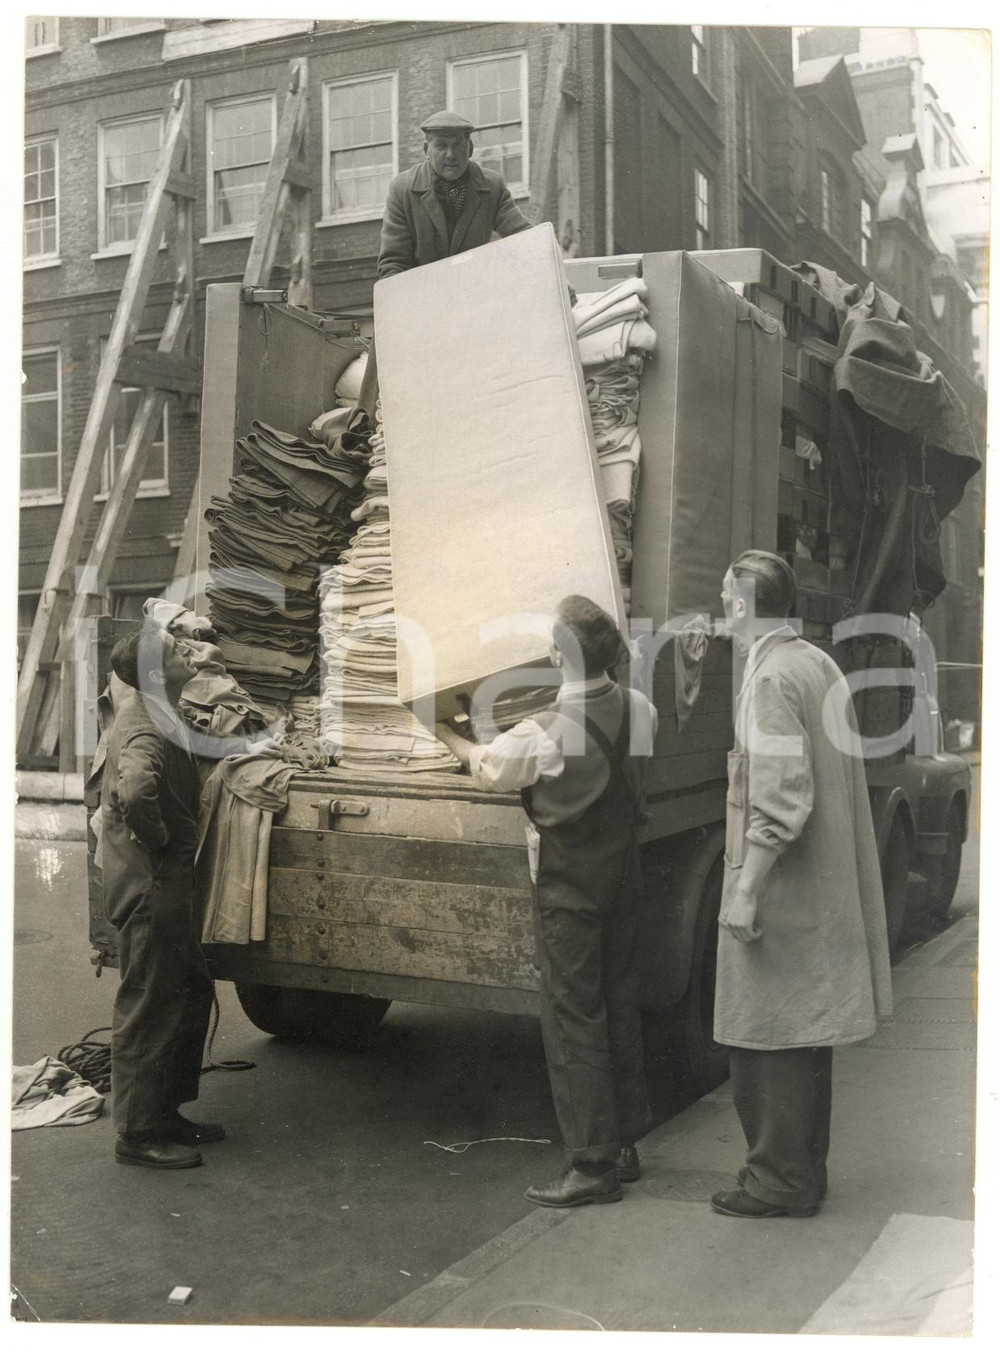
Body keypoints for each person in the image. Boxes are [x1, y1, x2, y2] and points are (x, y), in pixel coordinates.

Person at [433, 595, 655, 1207]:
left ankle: (591, 1163)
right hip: (624, 874)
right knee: (618, 1000)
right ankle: (626, 1143)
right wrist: (487, 734)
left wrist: (448, 731)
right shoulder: (640, 708)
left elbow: (489, 768)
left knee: (571, 1017)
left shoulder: (544, 733)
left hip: (570, 886)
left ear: (558, 655)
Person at [710, 550, 892, 1219]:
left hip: (783, 892)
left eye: (724, 597)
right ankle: (802, 1174)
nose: (719, 609)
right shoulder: (815, 664)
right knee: (804, 1033)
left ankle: (777, 1183)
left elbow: (782, 796)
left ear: (739, 603)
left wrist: (747, 889)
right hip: (816, 893)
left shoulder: (769, 679)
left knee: (768, 1036)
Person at [100, 621, 222, 1170]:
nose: (190, 650)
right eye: (178, 650)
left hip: (165, 881)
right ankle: (136, 1133)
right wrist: (160, 840)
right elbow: (134, 790)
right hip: (153, 884)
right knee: (151, 1001)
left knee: (186, 987)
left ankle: (163, 1111)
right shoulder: (148, 724)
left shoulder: (162, 709)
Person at [377, 110, 532, 279]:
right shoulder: (402, 189)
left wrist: (555, 270)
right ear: (426, 149)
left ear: (470, 149)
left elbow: (526, 237)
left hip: (474, 293)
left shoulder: (492, 186)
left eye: (458, 145)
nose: (450, 155)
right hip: (423, 296)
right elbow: (393, 264)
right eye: (441, 146)